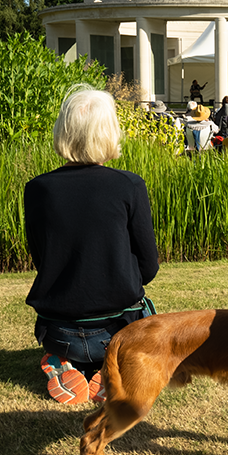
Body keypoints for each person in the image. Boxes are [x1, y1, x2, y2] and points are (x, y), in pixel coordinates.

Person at [25, 85, 159, 405]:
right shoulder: (128, 185)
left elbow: (40, 257)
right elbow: (148, 265)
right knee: (144, 331)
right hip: (117, 328)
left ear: (63, 131)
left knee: (75, 341)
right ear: (109, 132)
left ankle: (69, 363)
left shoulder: (38, 189)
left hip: (58, 332)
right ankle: (107, 367)